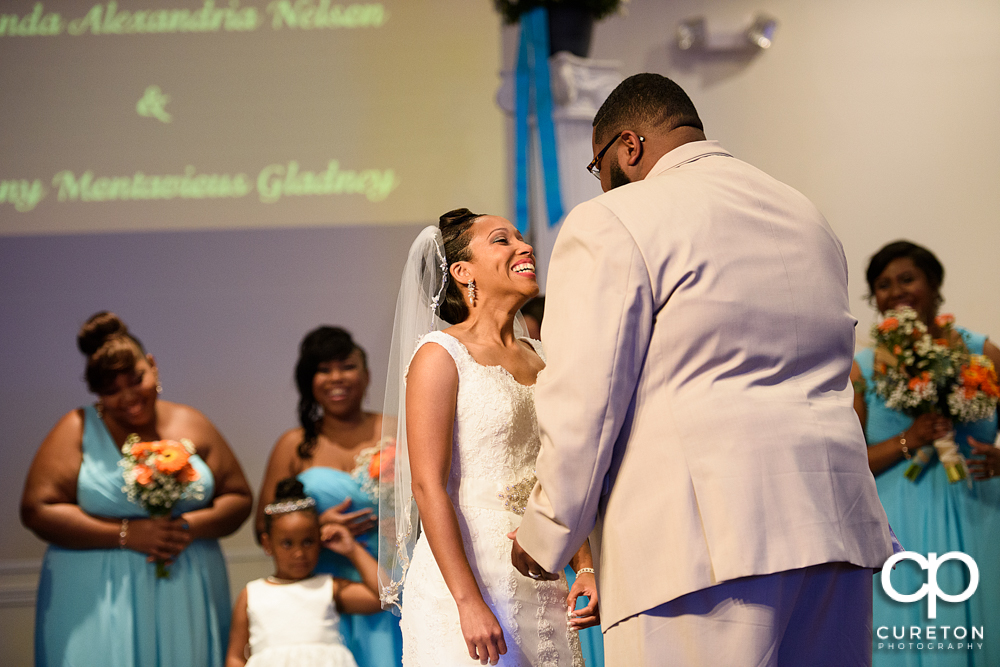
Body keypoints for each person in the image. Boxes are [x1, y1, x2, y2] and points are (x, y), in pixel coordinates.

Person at [509, 73, 895, 666]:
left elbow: (587, 398)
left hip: (700, 548)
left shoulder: (615, 218)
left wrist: (548, 532)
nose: (603, 183)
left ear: (628, 147)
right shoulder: (803, 212)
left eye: (599, 165)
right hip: (835, 528)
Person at [382, 212, 598, 666]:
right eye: (503, 240)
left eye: (522, 237)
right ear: (463, 273)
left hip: (540, 566)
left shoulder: (544, 357)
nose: (525, 247)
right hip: (467, 568)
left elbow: (561, 471)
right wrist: (467, 601)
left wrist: (586, 566)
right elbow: (427, 486)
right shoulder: (440, 355)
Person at [21, 311, 253, 667]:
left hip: (187, 587)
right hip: (97, 598)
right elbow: (37, 510)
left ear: (153, 365)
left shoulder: (192, 421)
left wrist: (185, 529)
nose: (129, 397)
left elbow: (238, 497)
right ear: (96, 393)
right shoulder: (76, 428)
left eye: (136, 379)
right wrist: (127, 534)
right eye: (111, 391)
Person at [851, 240, 1000, 666]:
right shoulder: (862, 368)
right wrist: (909, 439)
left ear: (935, 285)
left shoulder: (982, 354)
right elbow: (849, 462)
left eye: (907, 278)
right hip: (898, 525)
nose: (895, 291)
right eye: (882, 285)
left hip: (980, 515)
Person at [257, 326, 402, 667]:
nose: (337, 377)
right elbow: (263, 527)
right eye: (323, 369)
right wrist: (314, 527)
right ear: (309, 381)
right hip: (326, 582)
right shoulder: (292, 445)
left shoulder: (399, 429)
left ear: (366, 375)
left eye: (347, 366)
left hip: (393, 573)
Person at [227, 478, 382, 667]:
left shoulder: (328, 587)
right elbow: (235, 657)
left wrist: (352, 549)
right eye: (287, 543)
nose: (299, 553)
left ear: (320, 540)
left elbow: (381, 597)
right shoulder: (252, 593)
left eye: (308, 542)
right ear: (268, 544)